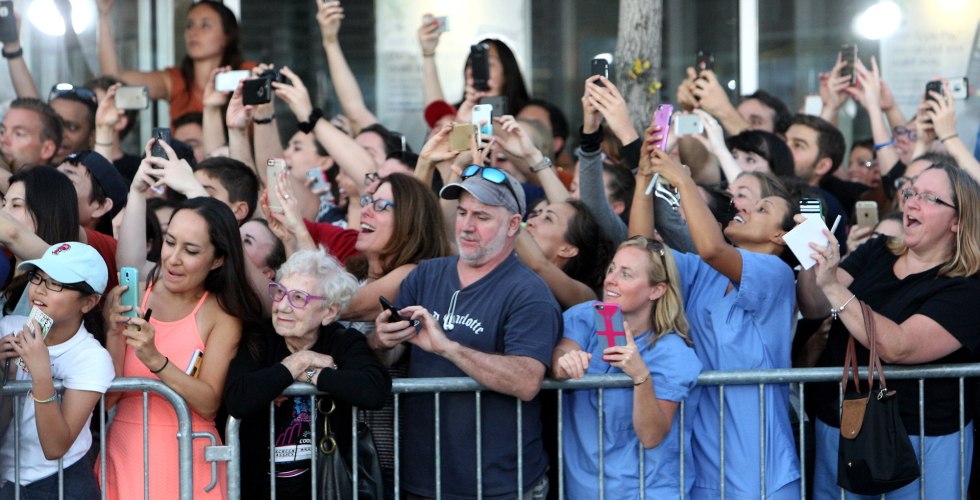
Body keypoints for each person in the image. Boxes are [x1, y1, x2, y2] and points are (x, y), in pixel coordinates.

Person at [631, 126, 801, 499]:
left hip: (760, 468)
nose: (742, 207)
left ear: (779, 237)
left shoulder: (777, 275)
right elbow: (640, 250)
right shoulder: (703, 274)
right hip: (704, 461)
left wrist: (682, 180)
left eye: (761, 209)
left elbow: (712, 249)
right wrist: (645, 177)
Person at [371, 166, 561, 498]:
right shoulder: (425, 275)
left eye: (482, 217)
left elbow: (527, 381)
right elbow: (389, 355)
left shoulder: (530, 293)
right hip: (420, 481)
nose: (467, 226)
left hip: (500, 487)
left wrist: (449, 348)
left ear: (514, 224)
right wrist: (382, 341)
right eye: (462, 212)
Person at [799, 164, 980, 499]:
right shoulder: (878, 249)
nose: (911, 202)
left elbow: (900, 346)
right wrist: (812, 259)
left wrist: (833, 288)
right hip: (844, 424)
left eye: (929, 198)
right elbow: (815, 307)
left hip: (921, 438)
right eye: (910, 191)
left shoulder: (968, 286)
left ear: (958, 221)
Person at [102, 177, 262, 498]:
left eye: (190, 250)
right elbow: (108, 397)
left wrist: (156, 361)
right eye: (170, 242)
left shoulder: (221, 313)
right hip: (125, 451)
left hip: (193, 459)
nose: (173, 258)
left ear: (218, 260)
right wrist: (111, 331)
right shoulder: (134, 295)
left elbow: (208, 402)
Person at [223, 248, 391, 499]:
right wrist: (296, 363)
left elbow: (374, 389)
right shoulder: (259, 336)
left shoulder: (343, 341)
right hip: (259, 487)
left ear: (329, 312)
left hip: (326, 488)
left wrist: (309, 374)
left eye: (299, 298)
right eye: (280, 292)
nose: (282, 307)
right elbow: (236, 398)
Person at [552, 236, 701, 498]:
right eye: (612, 269)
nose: (611, 279)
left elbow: (652, 436)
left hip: (645, 491)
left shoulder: (671, 352)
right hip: (584, 490)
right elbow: (563, 352)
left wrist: (641, 376)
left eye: (626, 274)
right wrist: (564, 361)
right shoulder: (588, 315)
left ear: (656, 290)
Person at [0, 243, 114, 498]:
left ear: (89, 302)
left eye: (56, 283)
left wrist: (41, 374)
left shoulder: (92, 357)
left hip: (61, 482)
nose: (39, 288)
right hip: (8, 479)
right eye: (37, 277)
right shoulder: (8, 329)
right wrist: (4, 374)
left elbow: (55, 446)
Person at [96, 0, 254, 121]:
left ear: (227, 36)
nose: (194, 31)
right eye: (190, 25)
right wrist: (103, 16)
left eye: (205, 25)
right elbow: (112, 78)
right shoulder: (176, 80)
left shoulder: (246, 75)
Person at [0, 98, 63, 176]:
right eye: (2, 131)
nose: (3, 140)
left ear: (47, 149)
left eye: (19, 134)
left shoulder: (58, 186)